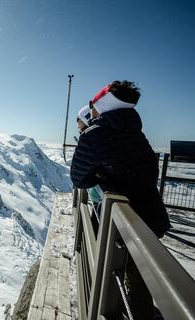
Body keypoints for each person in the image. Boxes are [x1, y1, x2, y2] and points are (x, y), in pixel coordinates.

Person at [70, 80, 170, 319]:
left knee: (112, 272)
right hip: (150, 216)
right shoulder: (137, 133)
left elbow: (79, 179)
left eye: (92, 106)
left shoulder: (94, 135)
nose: (91, 111)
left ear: (102, 107)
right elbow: (149, 173)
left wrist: (100, 174)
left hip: (118, 222)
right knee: (140, 276)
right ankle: (142, 313)